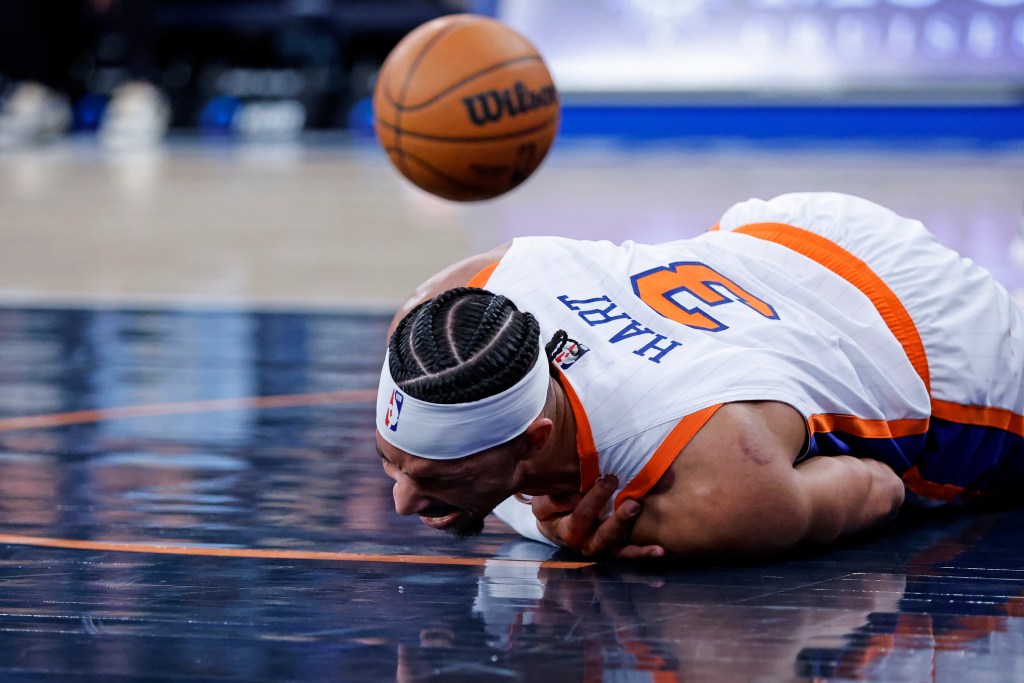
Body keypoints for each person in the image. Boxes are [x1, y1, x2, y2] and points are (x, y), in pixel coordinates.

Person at [375, 192, 1024, 560]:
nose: (401, 500)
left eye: (441, 475)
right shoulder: (448, 311)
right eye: (392, 460)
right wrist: (534, 512)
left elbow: (880, 488)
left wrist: (545, 523)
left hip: (934, 350)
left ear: (534, 439)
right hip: (782, 236)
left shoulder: (709, 483)